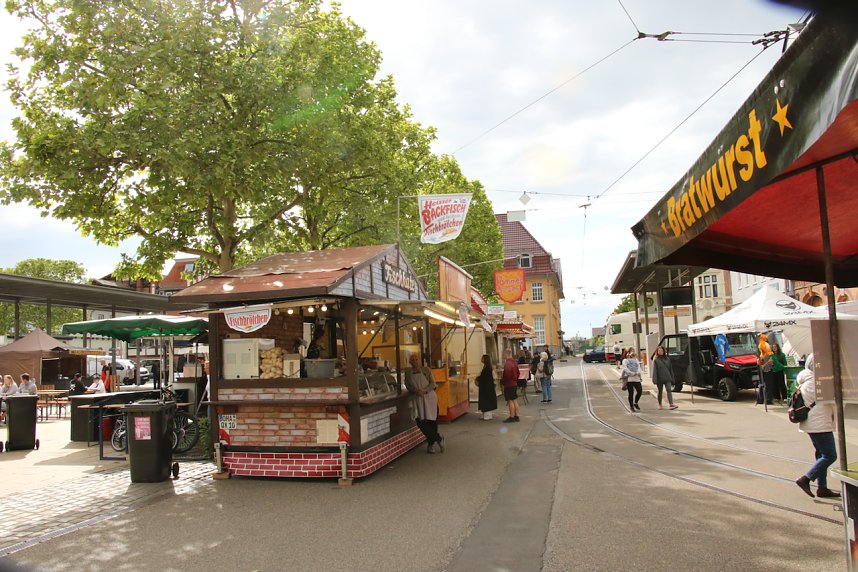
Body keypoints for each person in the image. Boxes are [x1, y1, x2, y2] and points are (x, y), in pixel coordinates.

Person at [794, 354, 840, 498]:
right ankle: (805, 479)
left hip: (814, 423)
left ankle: (822, 488)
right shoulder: (815, 381)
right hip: (819, 424)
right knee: (830, 455)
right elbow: (831, 398)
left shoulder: (807, 380)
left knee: (821, 454)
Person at [404, 354, 444, 453]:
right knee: (420, 422)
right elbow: (407, 385)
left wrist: (425, 390)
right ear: (410, 362)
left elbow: (433, 383)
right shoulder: (408, 372)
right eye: (412, 360)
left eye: (416, 359)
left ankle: (431, 445)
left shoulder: (426, 370)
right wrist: (414, 390)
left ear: (419, 360)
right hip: (417, 398)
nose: (414, 361)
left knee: (432, 421)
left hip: (429, 397)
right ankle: (438, 438)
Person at [650, 345, 678, 410]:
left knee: (669, 390)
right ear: (657, 352)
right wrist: (655, 380)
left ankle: (671, 404)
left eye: (661, 350)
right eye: (659, 351)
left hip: (667, 377)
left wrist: (672, 378)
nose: (660, 352)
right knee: (660, 391)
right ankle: (660, 404)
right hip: (659, 378)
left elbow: (670, 369)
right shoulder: (656, 360)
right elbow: (654, 371)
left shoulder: (667, 359)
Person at [475, 354, 498, 420]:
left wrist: (478, 378)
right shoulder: (486, 367)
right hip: (486, 387)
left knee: (486, 400)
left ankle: (488, 415)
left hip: (487, 387)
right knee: (484, 400)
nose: (481, 359)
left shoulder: (487, 368)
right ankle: (484, 413)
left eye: (482, 358)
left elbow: (485, 377)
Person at [501, 349, 520, 423]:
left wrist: (503, 382)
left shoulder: (508, 363)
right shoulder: (514, 362)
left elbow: (507, 375)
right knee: (514, 400)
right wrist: (515, 380)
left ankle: (512, 416)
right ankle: (516, 416)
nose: (503, 356)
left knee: (510, 401)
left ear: (506, 354)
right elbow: (518, 373)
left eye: (503, 354)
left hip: (509, 384)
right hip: (514, 383)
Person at [756, 334, 774, 405]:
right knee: (767, 384)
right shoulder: (766, 346)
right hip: (765, 367)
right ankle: (767, 399)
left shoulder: (759, 346)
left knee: (762, 384)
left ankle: (761, 399)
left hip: (762, 366)